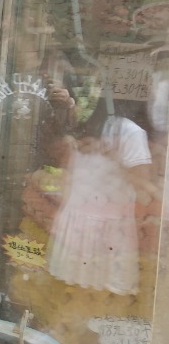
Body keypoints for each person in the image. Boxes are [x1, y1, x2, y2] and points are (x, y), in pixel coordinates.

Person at [43, 82, 157, 294]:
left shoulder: (112, 130)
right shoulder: (115, 130)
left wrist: (112, 158)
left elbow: (144, 189)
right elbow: (142, 185)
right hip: (93, 226)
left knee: (87, 294)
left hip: (93, 228)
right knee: (84, 294)